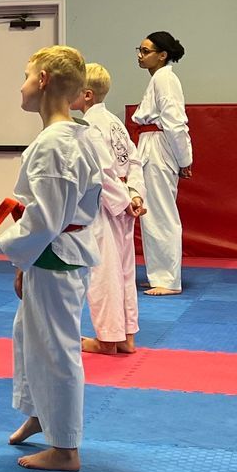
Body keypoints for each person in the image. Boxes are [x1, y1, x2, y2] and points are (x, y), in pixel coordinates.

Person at [0, 45, 104, 472]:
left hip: (54, 255)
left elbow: (44, 220)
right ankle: (40, 414)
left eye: (26, 75)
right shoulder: (72, 134)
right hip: (49, 257)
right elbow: (36, 208)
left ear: (44, 80)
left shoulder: (56, 144)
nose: (22, 84)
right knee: (29, 337)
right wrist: (19, 263)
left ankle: (65, 448)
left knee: (57, 350)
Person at [78, 62, 145, 353]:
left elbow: (102, 173)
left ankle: (107, 339)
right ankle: (127, 337)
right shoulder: (115, 123)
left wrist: (122, 201)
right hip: (123, 203)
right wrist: (134, 194)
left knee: (103, 272)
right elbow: (134, 160)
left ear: (87, 94)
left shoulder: (90, 128)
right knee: (125, 271)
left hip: (106, 206)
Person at [132, 31, 192, 295]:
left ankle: (168, 280)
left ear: (162, 55)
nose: (140, 55)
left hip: (160, 145)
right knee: (151, 214)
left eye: (146, 51)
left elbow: (176, 122)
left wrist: (184, 158)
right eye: (140, 50)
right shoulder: (159, 79)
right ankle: (159, 274)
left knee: (162, 214)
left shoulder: (166, 79)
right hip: (151, 144)